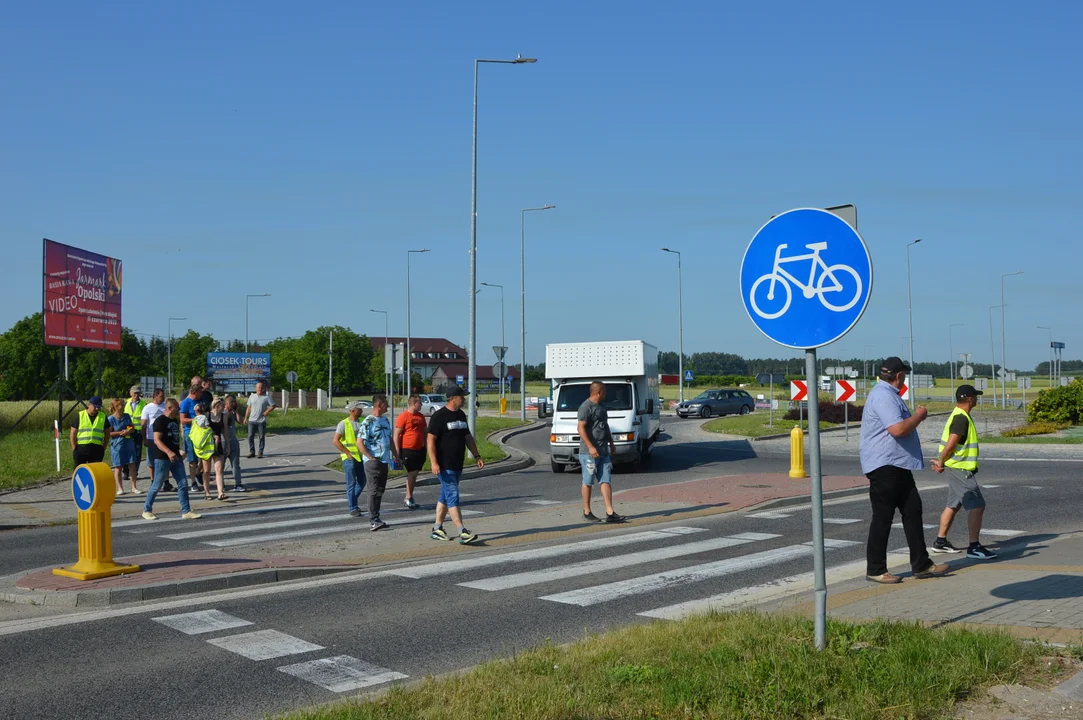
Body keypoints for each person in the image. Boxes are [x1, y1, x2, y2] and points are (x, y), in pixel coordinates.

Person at [859, 357, 949, 584]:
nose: (905, 379)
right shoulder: (883, 396)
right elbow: (898, 429)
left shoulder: (887, 395)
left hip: (897, 465)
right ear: (899, 376)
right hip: (885, 465)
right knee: (883, 517)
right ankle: (876, 569)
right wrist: (919, 415)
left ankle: (922, 564)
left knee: (913, 511)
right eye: (904, 375)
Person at [930, 385, 998, 560]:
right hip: (961, 469)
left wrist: (942, 461)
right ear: (969, 398)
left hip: (955, 467)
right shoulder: (961, 418)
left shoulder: (959, 415)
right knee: (977, 506)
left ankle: (940, 542)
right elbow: (951, 443)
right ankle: (974, 547)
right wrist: (940, 461)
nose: (976, 399)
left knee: (953, 505)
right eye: (975, 396)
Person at [427, 387, 483, 544]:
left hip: (458, 463)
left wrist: (477, 455)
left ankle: (437, 528)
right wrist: (434, 461)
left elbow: (467, 437)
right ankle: (462, 531)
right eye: (462, 397)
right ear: (452, 398)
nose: (464, 399)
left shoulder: (460, 415)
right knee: (452, 495)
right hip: (444, 464)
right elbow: (430, 439)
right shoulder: (439, 416)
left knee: (445, 496)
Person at [143, 398, 201, 521]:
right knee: (157, 485)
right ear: (170, 408)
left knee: (183, 483)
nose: (179, 410)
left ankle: (186, 511)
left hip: (176, 457)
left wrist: (177, 451)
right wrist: (168, 452)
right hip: (162, 458)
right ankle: (147, 510)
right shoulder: (160, 421)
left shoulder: (174, 421)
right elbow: (157, 440)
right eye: (177, 408)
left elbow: (174, 439)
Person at [577, 381, 625, 524]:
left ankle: (610, 512)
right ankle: (587, 511)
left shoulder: (602, 407)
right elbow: (580, 429)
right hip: (588, 453)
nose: (606, 393)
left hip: (603, 451)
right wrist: (591, 447)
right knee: (588, 481)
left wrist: (611, 443)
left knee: (606, 480)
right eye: (604, 391)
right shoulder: (585, 407)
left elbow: (605, 426)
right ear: (599, 392)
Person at [361, 395, 400, 531]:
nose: (388, 406)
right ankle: (373, 520)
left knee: (380, 490)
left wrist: (396, 455)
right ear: (379, 405)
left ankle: (377, 517)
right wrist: (370, 457)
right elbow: (359, 442)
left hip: (384, 460)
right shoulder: (368, 421)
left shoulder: (385, 420)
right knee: (373, 490)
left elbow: (389, 439)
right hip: (373, 461)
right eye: (385, 404)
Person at [333, 400, 367, 517]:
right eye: (359, 409)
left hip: (361, 457)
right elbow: (335, 441)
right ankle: (353, 507)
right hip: (349, 458)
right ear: (353, 410)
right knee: (351, 483)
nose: (362, 410)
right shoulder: (344, 424)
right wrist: (347, 453)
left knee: (362, 481)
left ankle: (352, 501)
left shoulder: (363, 421)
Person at [394, 394, 427, 509]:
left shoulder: (421, 417)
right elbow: (397, 435)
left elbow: (425, 433)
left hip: (420, 449)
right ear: (414, 404)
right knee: (412, 473)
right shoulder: (403, 416)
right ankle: (408, 497)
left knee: (414, 474)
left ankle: (409, 496)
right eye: (420, 403)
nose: (421, 405)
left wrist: (426, 447)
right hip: (407, 449)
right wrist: (397, 452)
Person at [106, 397, 140, 495]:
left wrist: (128, 431)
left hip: (129, 443)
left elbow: (131, 427)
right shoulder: (111, 419)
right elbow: (109, 433)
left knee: (132, 464)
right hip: (117, 445)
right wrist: (120, 433)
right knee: (118, 467)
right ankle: (120, 488)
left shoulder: (127, 416)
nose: (124, 406)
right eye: (122, 405)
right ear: (116, 407)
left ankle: (134, 487)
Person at [140, 388, 170, 491]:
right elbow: (143, 425)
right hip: (152, 438)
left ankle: (166, 482)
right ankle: (153, 482)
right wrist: (145, 439)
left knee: (165, 460)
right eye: (161, 396)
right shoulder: (147, 408)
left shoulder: (165, 407)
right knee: (151, 462)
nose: (163, 398)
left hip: (164, 438)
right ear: (155, 396)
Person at [199, 400, 229, 502]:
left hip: (218, 444)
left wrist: (228, 444)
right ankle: (207, 492)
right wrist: (212, 435)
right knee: (206, 471)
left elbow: (225, 431)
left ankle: (220, 492)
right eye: (222, 406)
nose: (224, 408)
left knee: (219, 470)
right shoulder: (207, 415)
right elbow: (202, 430)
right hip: (207, 444)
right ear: (216, 406)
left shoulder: (223, 417)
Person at [179, 384, 204, 491]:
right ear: (194, 392)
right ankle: (193, 482)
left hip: (201, 433)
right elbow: (182, 420)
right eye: (200, 392)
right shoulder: (185, 403)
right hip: (190, 434)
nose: (201, 394)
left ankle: (198, 472)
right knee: (192, 460)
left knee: (205, 456)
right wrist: (195, 420)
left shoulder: (198, 402)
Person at [121, 385, 147, 485]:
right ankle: (125, 472)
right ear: (130, 393)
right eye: (134, 393)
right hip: (127, 431)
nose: (136, 395)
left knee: (137, 453)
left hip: (138, 431)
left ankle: (134, 472)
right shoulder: (126, 403)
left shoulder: (143, 404)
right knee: (126, 452)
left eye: (137, 393)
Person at [69, 396, 106, 466]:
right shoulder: (80, 415)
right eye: (95, 406)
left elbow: (107, 433)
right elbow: (73, 433)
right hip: (81, 449)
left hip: (96, 449)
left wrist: (103, 448)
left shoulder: (103, 416)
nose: (97, 408)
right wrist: (74, 449)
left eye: (98, 407)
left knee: (95, 472)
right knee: (79, 471)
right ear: (89, 404)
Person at [244, 380, 275, 458]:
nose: (259, 389)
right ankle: (252, 452)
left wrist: (266, 412)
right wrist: (245, 418)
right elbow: (249, 408)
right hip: (251, 421)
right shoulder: (252, 396)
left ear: (264, 388)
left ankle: (260, 452)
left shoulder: (266, 397)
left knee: (261, 437)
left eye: (261, 387)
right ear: (255, 388)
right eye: (258, 387)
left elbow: (273, 405)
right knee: (250, 436)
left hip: (261, 421)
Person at [222, 395, 247, 492]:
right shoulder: (223, 412)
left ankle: (238, 484)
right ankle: (222, 485)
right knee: (221, 465)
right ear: (226, 403)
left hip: (233, 441)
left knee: (235, 463)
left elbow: (241, 422)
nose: (234, 403)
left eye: (235, 401)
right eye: (232, 402)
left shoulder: (233, 412)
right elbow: (225, 420)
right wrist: (229, 411)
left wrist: (236, 412)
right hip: (223, 442)